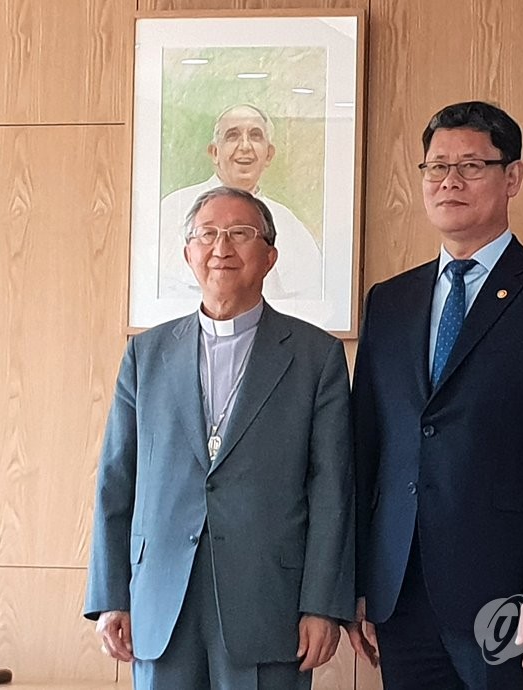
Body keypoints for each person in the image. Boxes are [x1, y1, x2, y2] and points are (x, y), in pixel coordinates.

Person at [347, 101, 523, 689]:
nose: (448, 181)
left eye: (470, 165)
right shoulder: (389, 302)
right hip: (401, 594)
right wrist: (360, 582)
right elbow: (367, 452)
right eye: (436, 166)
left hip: (512, 600)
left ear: (512, 177)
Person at [85, 186, 354, 689]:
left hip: (270, 600)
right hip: (160, 600)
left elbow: (332, 491)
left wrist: (323, 603)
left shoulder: (316, 357)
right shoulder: (146, 356)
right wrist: (110, 595)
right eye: (206, 234)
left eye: (240, 234)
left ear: (270, 256)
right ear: (189, 254)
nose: (221, 247)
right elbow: (116, 483)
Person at [158, 104, 322, 300]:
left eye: (255, 136)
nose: (245, 146)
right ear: (215, 152)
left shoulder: (290, 225)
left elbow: (309, 300)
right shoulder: (173, 210)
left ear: (268, 154)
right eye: (232, 136)